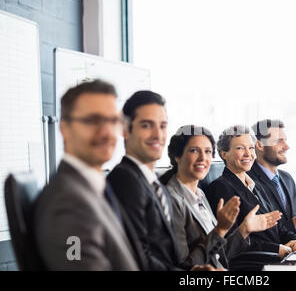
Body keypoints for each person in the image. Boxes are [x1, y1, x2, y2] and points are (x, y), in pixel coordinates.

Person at [34, 79, 146, 270]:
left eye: (113, 121)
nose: (106, 132)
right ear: (65, 129)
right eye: (92, 121)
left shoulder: (90, 188)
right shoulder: (67, 205)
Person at [107, 91, 217, 271]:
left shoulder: (154, 184)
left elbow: (162, 254)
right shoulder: (125, 180)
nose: (157, 135)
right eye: (146, 125)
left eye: (163, 126)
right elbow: (139, 259)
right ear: (125, 129)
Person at [160, 125, 281, 269]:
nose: (202, 158)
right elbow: (185, 265)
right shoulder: (170, 200)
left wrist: (244, 229)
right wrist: (220, 230)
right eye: (194, 151)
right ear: (177, 156)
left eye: (208, 151)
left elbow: (220, 255)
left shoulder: (200, 195)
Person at [205, 125, 296, 259]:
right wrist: (276, 248)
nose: (248, 154)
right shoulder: (221, 188)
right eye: (240, 148)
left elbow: (276, 224)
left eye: (251, 148)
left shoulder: (256, 184)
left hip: (277, 255)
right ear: (224, 153)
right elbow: (232, 241)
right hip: (256, 262)